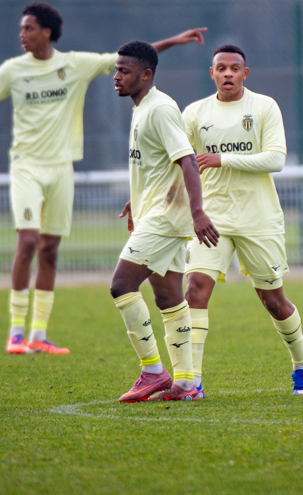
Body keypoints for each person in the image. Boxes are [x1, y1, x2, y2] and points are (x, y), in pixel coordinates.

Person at [0, 2, 206, 355]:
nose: (21, 35)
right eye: (21, 29)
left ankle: (39, 335)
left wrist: (174, 41)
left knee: (50, 250)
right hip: (26, 166)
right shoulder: (13, 70)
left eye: (28, 29)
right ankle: (15, 333)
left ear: (47, 32)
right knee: (27, 243)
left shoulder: (75, 66)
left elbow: (130, 60)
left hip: (62, 168)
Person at [180, 44, 303, 399]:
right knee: (194, 290)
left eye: (234, 68)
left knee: (273, 300)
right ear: (212, 74)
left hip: (259, 218)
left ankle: (302, 367)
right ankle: (192, 380)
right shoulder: (194, 113)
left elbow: (276, 159)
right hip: (212, 217)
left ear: (245, 73)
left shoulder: (264, 106)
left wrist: (222, 159)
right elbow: (178, 163)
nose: (227, 74)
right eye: (220, 68)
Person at [109, 40, 218, 403]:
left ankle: (153, 371)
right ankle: (186, 383)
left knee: (121, 284)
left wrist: (198, 212)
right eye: (116, 69)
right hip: (156, 211)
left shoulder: (160, 109)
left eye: (124, 70)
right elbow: (156, 164)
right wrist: (135, 200)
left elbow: (186, 160)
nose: (116, 76)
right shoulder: (141, 108)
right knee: (169, 297)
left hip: (167, 216)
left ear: (147, 74)